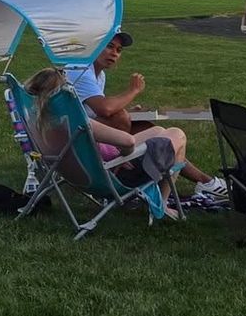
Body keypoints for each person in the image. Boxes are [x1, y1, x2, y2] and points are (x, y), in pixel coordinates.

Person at [63, 34, 229, 203]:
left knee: (146, 128)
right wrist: (133, 91)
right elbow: (105, 109)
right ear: (94, 45)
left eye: (119, 50)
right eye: (109, 46)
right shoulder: (79, 70)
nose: (114, 53)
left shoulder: (95, 74)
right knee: (167, 136)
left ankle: (204, 181)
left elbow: (92, 111)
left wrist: (125, 111)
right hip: (82, 147)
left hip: (78, 138)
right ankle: (162, 193)